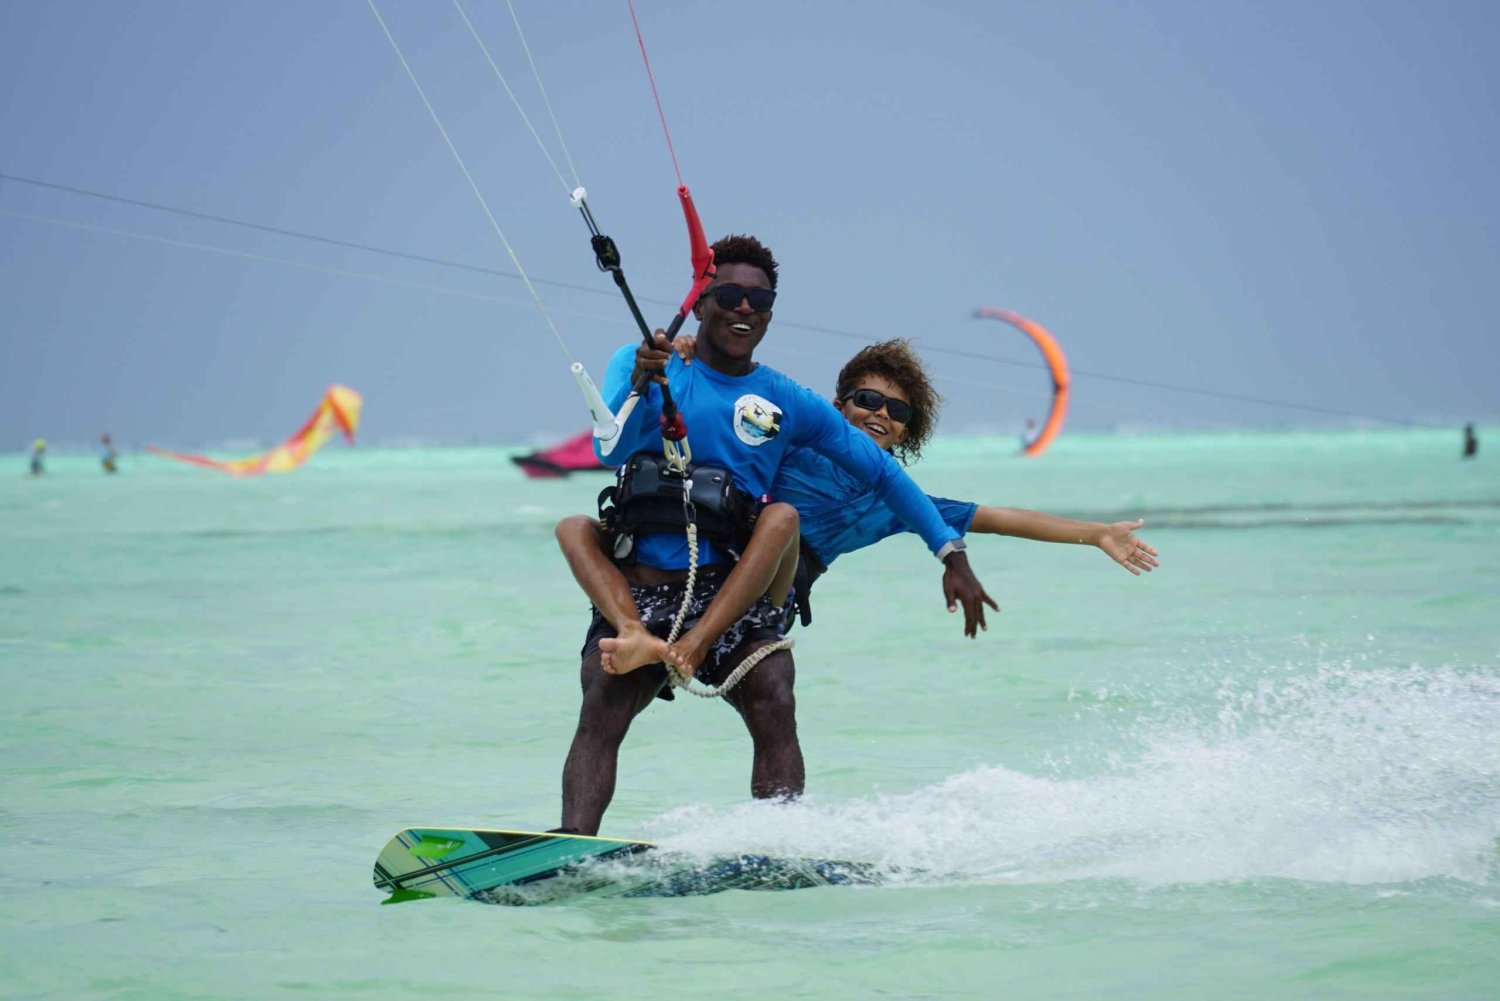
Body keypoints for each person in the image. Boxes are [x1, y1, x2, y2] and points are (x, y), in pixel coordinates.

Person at [558, 235, 995, 836]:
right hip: (640, 588)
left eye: (758, 299)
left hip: (727, 593)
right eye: (731, 294)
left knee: (773, 689)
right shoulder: (645, 365)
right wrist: (638, 381)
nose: (744, 308)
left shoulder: (786, 401)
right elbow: (609, 448)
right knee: (600, 690)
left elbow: (884, 474)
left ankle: (779, 843)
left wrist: (951, 552)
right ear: (704, 300)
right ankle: (571, 844)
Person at [559, 338, 1158, 680]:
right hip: (718, 561)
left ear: (906, 435)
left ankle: (687, 651)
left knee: (782, 522)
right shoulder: (796, 434)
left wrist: (1097, 533)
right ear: (840, 404)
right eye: (868, 400)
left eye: (897, 413)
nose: (880, 415)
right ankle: (640, 635)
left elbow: (1002, 518)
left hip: (777, 589)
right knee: (581, 529)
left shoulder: (891, 499)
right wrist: (688, 355)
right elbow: (727, 411)